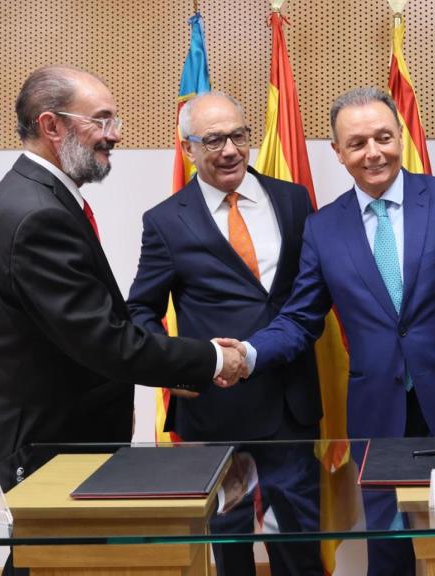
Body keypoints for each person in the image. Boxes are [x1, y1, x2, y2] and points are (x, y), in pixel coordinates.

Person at [238, 87, 435, 575]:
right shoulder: (324, 227)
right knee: (390, 549)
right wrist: (247, 354)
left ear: (401, 137)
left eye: (383, 137)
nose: (373, 152)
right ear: (338, 153)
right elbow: (300, 317)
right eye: (357, 143)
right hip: (379, 417)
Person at [0, 66, 245, 486]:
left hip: (64, 439)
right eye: (101, 120)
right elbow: (104, 340)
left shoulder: (38, 196)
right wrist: (210, 359)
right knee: (49, 555)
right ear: (52, 125)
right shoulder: (37, 215)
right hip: (47, 448)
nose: (114, 134)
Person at [127, 91, 322, 576]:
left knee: (299, 543)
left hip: (288, 407)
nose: (230, 149)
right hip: (214, 413)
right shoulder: (166, 221)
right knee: (230, 546)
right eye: (213, 140)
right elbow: (140, 312)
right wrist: (171, 365)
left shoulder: (293, 200)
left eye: (238, 135)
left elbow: (307, 297)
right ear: (188, 146)